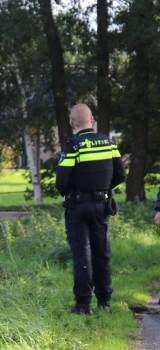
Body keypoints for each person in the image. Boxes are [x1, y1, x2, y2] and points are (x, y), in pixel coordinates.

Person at [56, 103, 125, 314]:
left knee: (81, 254)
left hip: (78, 206)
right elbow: (120, 174)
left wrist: (75, 193)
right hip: (102, 205)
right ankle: (105, 302)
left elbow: (61, 181)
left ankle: (83, 305)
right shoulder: (108, 143)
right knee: (101, 253)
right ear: (92, 120)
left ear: (71, 123)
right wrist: (103, 189)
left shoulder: (73, 146)